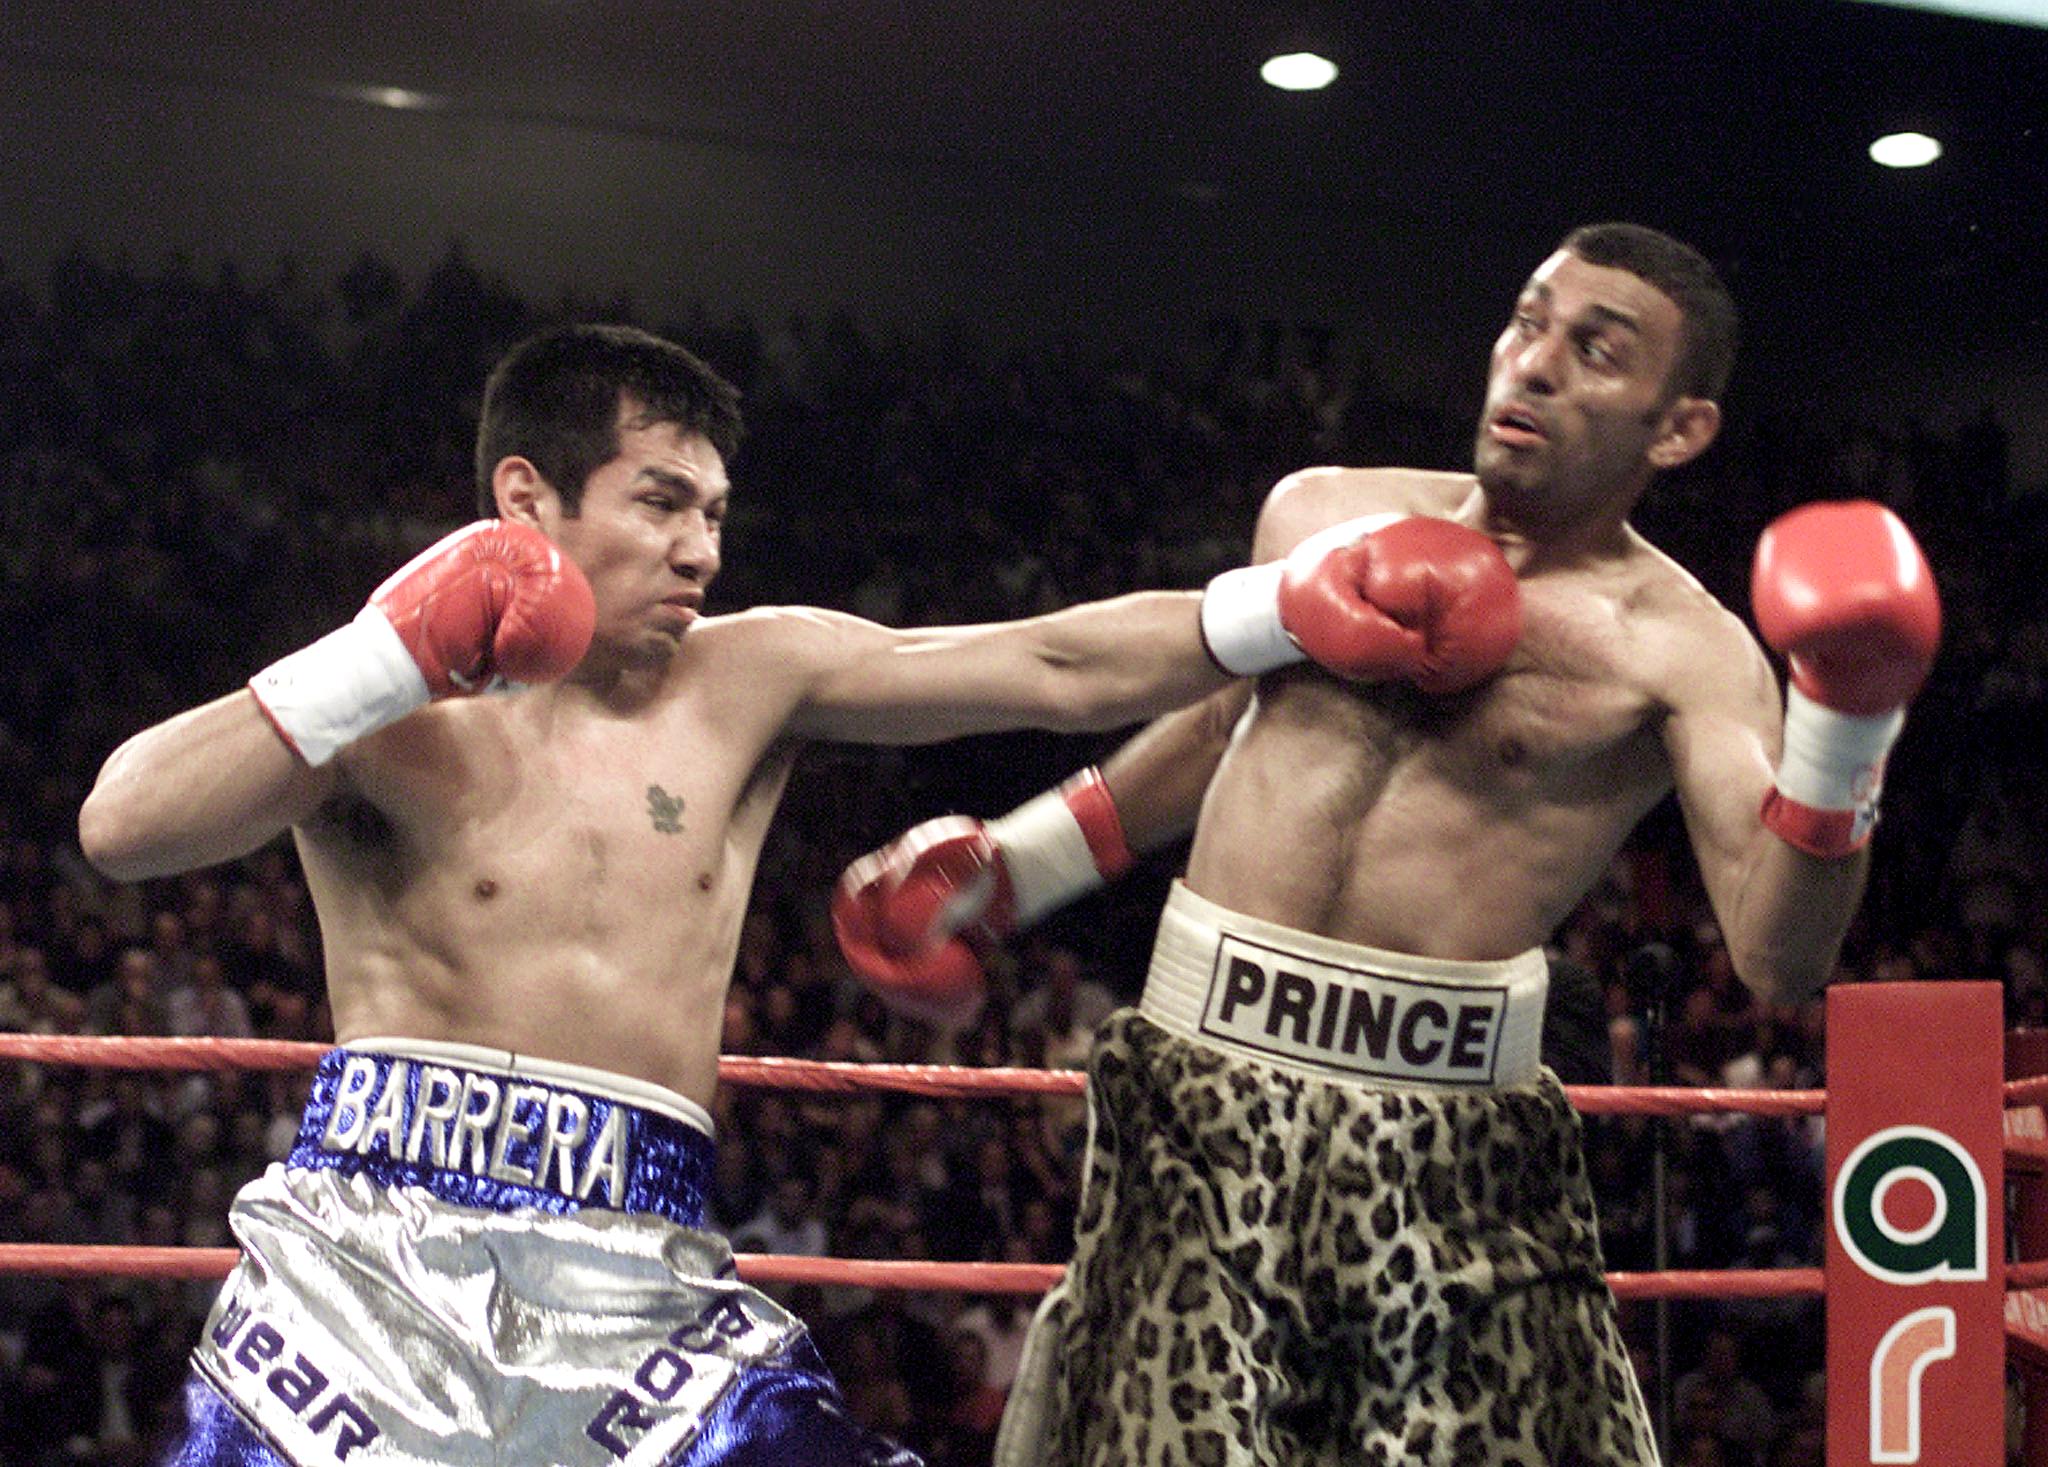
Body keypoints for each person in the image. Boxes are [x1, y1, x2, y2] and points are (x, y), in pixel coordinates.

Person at [75, 322, 1419, 1466]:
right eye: (660, 502)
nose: (700, 550)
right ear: (526, 498)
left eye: (714, 513)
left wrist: (1283, 605)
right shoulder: (387, 707)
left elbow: (1048, 663)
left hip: (645, 1276)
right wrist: (384, 656)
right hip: (363, 1276)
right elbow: (123, 825)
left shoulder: (749, 677)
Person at [834, 223, 1942, 1466]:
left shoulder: (1679, 650)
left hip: (1449, 1150)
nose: (1533, 363)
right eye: (1527, 322)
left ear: (1677, 428)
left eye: (1595, 350)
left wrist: (1845, 730)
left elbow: (1778, 954)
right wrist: (1018, 866)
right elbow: (1226, 726)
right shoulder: (1319, 510)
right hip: (1200, 1096)